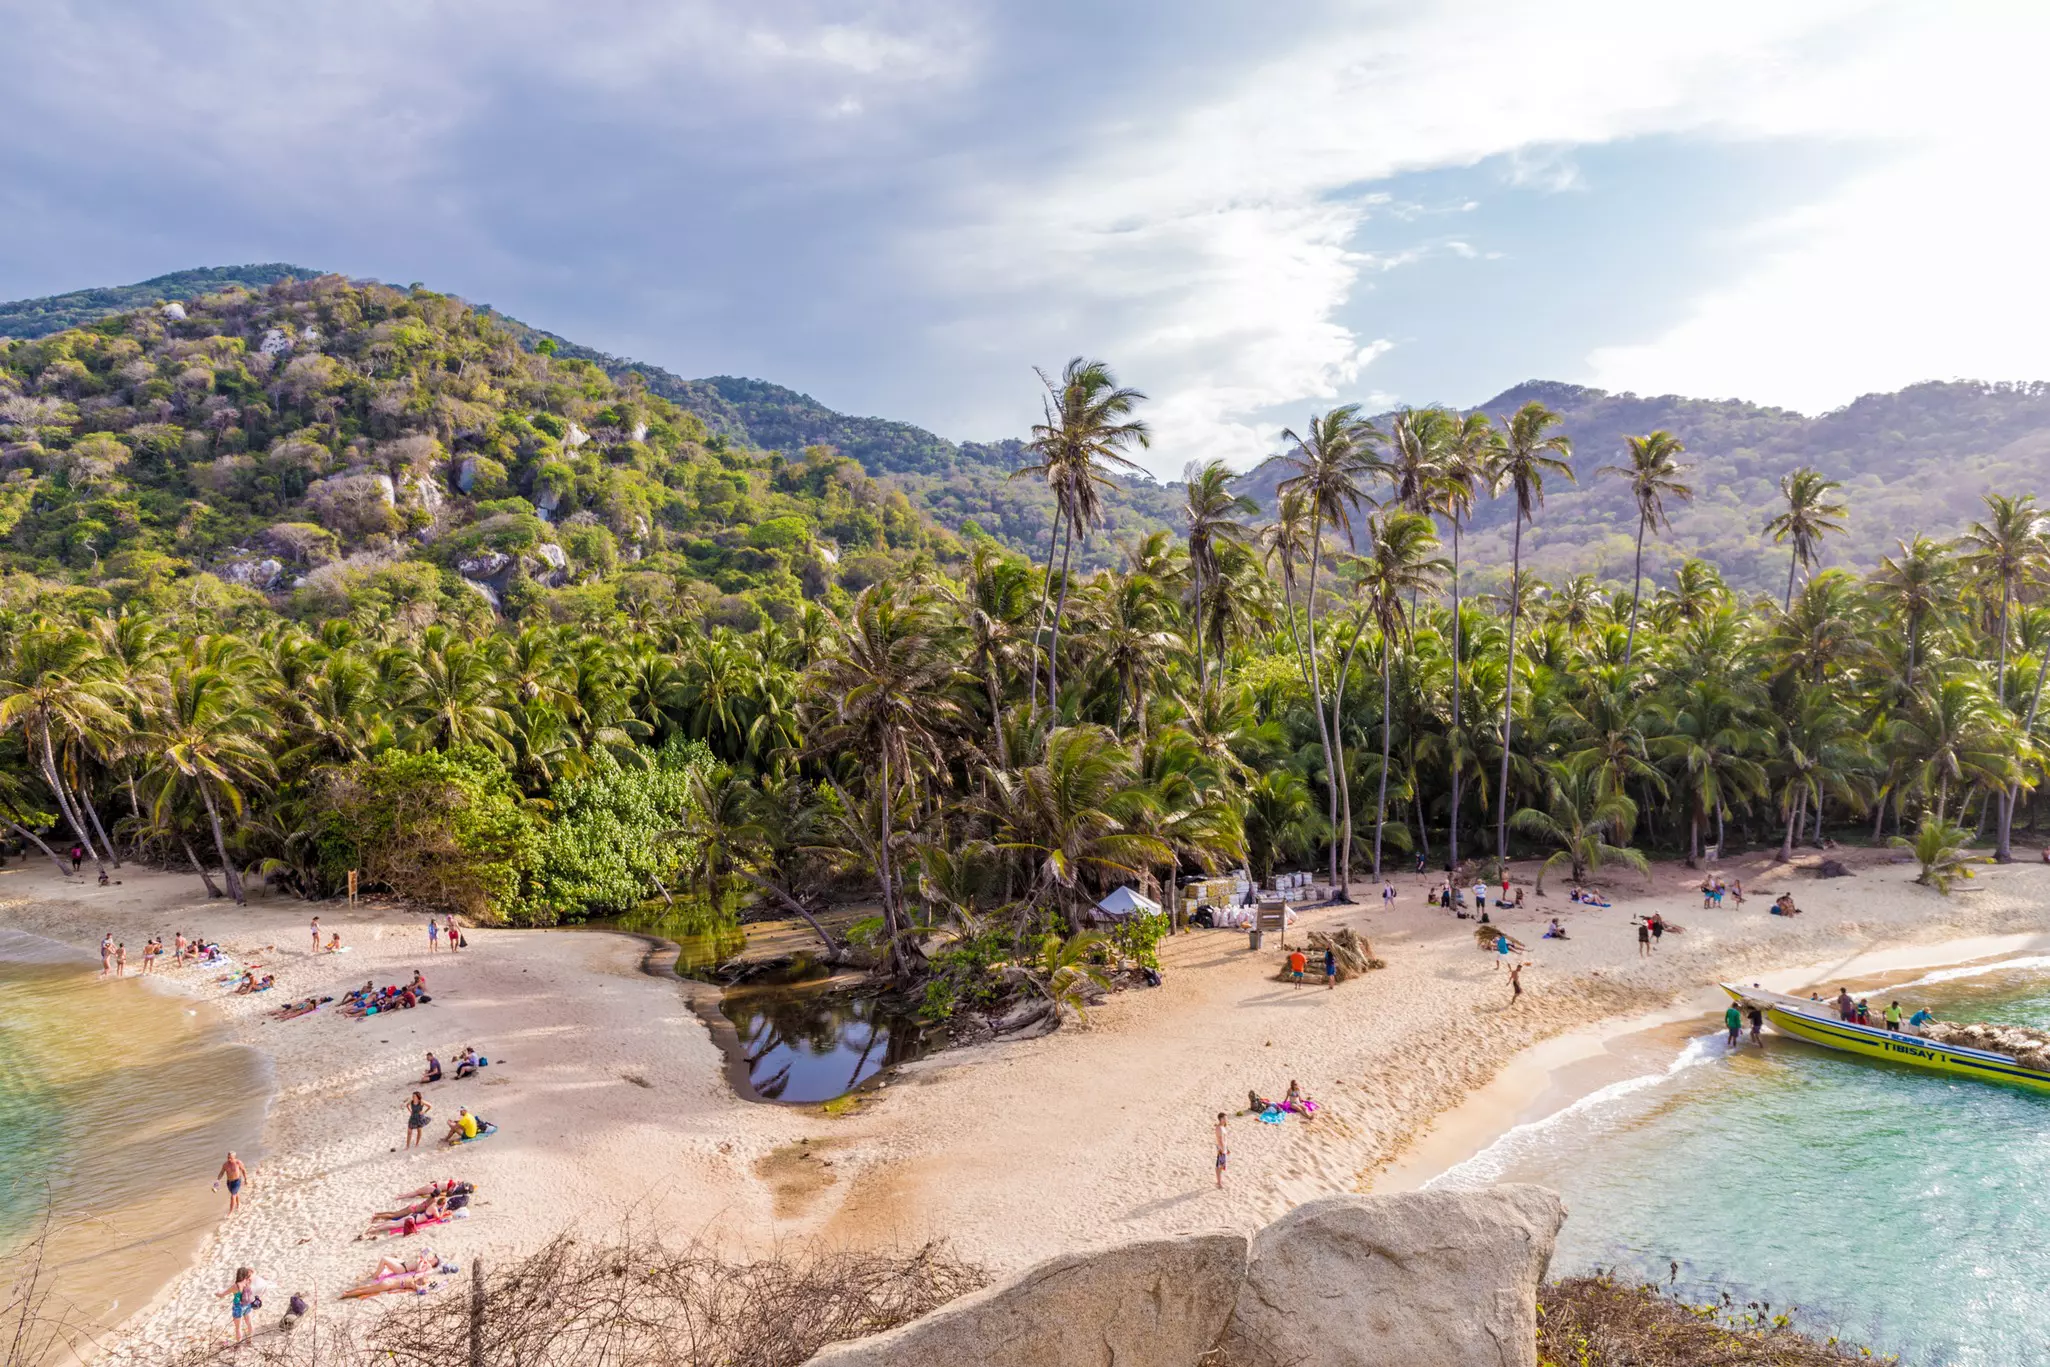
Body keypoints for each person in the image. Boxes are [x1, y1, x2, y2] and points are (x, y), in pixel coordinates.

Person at [218, 1266, 257, 1346]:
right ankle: (250, 1340)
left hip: (238, 1307)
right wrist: (248, 1270)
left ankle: (239, 1344)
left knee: (238, 1328)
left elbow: (222, 1294)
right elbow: (253, 1271)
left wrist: (217, 1293)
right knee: (249, 1323)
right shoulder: (248, 1281)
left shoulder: (236, 1286)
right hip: (247, 1305)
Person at [1214, 1112, 1229, 1188]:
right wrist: (1223, 1149)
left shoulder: (1223, 1127)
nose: (1226, 1119)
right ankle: (1219, 1183)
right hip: (1221, 1149)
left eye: (1226, 1118)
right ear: (1220, 1119)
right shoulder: (1219, 1128)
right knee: (1220, 1166)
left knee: (1220, 1165)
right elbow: (1220, 1140)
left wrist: (1227, 1148)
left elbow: (1224, 1139)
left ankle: (1219, 1181)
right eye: (1224, 1118)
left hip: (1223, 1148)